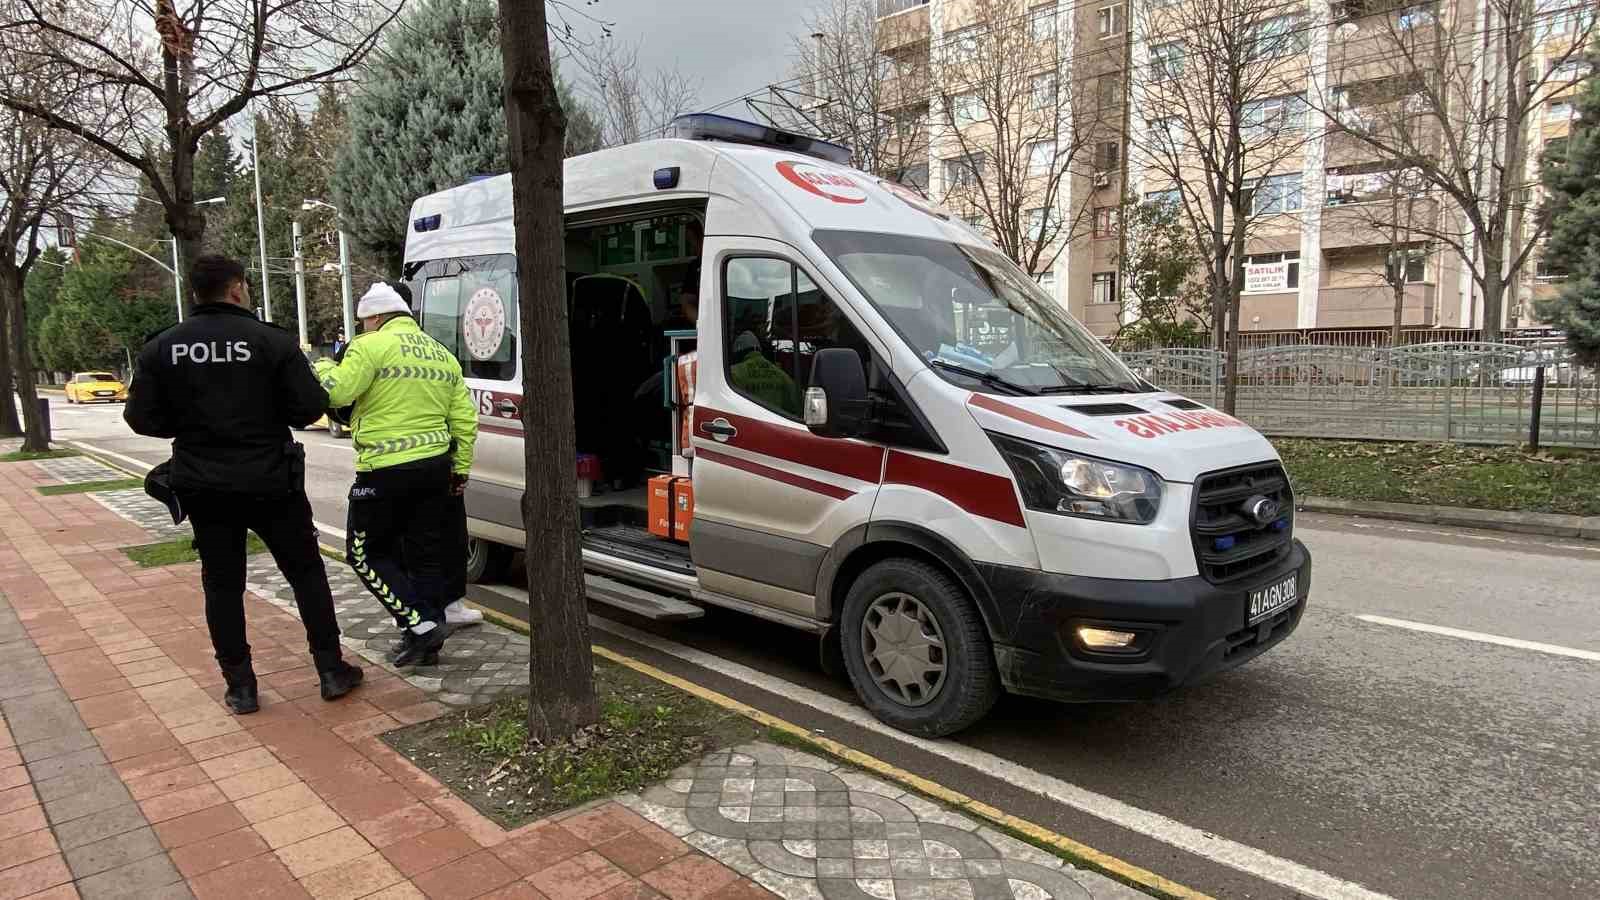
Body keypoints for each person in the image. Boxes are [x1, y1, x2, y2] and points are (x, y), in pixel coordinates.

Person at [125, 254, 362, 715]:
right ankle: (331, 671)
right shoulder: (270, 341)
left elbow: (139, 418)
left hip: (204, 485)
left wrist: (193, 426)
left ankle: (241, 687)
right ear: (236, 289)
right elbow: (308, 408)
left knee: (222, 585)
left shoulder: (163, 347)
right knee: (306, 575)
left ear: (196, 292)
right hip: (272, 480)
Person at [314, 282, 478, 666]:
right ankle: (427, 640)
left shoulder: (369, 346)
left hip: (385, 472)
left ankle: (420, 625)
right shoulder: (441, 354)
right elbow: (465, 421)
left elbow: (337, 394)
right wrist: (460, 469)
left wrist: (322, 365)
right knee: (424, 556)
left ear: (374, 317)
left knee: (364, 554)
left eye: (364, 321)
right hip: (436, 470)